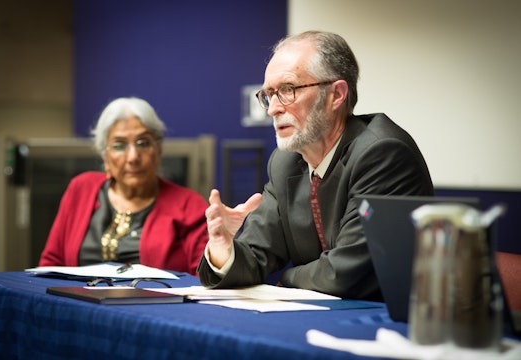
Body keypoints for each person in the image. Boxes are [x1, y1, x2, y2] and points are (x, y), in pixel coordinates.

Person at [198, 31, 434, 300]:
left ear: (336, 95)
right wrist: (223, 248)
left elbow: (346, 273)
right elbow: (255, 256)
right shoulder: (285, 162)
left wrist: (286, 278)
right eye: (268, 94)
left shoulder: (382, 153)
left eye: (288, 90)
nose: (272, 108)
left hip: (388, 325)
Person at [39, 97, 209, 275]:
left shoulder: (189, 205)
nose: (133, 157)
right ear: (105, 157)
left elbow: (204, 279)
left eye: (143, 143)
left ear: (158, 150)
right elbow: (51, 265)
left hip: (153, 303)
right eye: (119, 145)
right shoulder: (81, 189)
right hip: (77, 302)